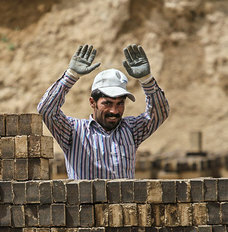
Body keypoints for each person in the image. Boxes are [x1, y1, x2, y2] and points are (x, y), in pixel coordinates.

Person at [37, 44, 169, 179]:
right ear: (92, 103)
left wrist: (147, 80)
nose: (114, 110)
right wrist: (71, 76)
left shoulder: (132, 130)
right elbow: (46, 109)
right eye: (107, 103)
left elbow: (159, 113)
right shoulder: (73, 131)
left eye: (120, 104)